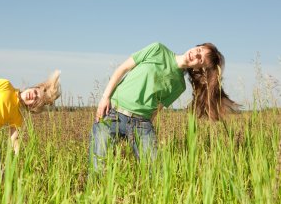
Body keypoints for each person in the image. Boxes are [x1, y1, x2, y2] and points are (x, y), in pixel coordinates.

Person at [89, 42, 238, 171]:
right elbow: (122, 69)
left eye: (200, 59)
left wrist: (144, 131)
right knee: (99, 167)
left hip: (141, 124)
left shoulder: (179, 86)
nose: (196, 55)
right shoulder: (157, 49)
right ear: (196, 46)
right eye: (199, 50)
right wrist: (105, 98)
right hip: (113, 112)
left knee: (155, 172)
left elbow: (156, 109)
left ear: (199, 67)